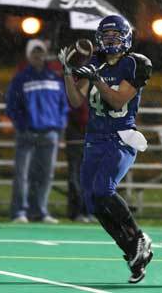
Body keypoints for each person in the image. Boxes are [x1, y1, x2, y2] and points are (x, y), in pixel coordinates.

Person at [58, 15, 153, 283]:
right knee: (92, 201)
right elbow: (76, 100)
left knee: (103, 189)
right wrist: (67, 72)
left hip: (120, 137)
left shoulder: (135, 63)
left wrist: (98, 79)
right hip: (95, 138)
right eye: (106, 35)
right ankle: (133, 254)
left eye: (115, 35)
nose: (110, 40)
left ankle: (138, 237)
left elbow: (117, 100)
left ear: (126, 38)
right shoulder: (95, 61)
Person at [6, 39, 69, 224]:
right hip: (27, 133)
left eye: (40, 52)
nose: (38, 55)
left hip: (50, 133)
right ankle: (19, 212)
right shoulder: (20, 78)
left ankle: (39, 210)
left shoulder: (54, 78)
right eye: (34, 52)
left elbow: (63, 106)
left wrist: (59, 125)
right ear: (28, 55)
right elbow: (11, 106)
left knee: (45, 175)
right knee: (22, 174)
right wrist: (22, 124)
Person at [65, 103, 94, 222]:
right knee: (75, 177)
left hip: (91, 138)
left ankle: (88, 211)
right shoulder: (75, 93)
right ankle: (76, 211)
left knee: (90, 176)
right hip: (76, 138)